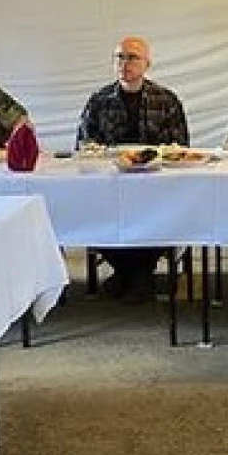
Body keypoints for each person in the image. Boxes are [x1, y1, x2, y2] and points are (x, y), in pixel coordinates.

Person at [77, 36, 189, 304]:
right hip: (110, 185)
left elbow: (180, 147)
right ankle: (132, 273)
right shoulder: (98, 101)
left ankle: (135, 274)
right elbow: (84, 145)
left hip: (155, 186)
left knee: (164, 214)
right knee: (89, 213)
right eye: (120, 57)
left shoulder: (166, 100)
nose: (125, 63)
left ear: (147, 64)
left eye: (132, 57)